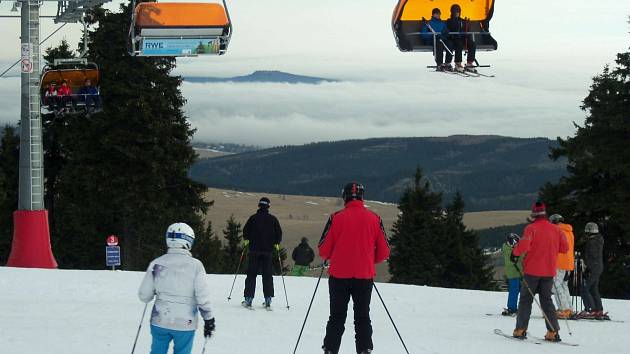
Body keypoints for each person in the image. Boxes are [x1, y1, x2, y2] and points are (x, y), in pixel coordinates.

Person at [319, 182, 390, 354]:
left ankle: (330, 350)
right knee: (362, 318)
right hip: (364, 276)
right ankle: (365, 350)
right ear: (362, 197)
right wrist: (367, 260)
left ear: (344, 197)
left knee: (336, 318)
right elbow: (385, 251)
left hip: (338, 277)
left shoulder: (335, 217)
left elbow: (323, 250)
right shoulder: (375, 218)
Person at [138, 223, 216, 354]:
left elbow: (144, 295)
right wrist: (208, 318)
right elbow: (202, 296)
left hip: (160, 319)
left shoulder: (157, 263)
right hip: (185, 322)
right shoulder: (196, 266)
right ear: (189, 240)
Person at [511, 202, 568, 342]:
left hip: (532, 270)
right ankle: (553, 331)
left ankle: (520, 329)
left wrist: (515, 253)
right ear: (545, 213)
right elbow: (564, 248)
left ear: (534, 214)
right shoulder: (556, 229)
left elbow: (523, 246)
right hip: (549, 271)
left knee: (525, 300)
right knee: (547, 301)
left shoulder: (531, 228)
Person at [242, 197, 283, 309]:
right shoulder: (273, 219)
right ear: (268, 206)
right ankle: (268, 300)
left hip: (254, 251)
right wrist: (276, 243)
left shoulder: (253, 218)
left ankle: (248, 299)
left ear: (259, 205)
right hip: (267, 252)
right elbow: (278, 233)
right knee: (267, 276)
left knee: (251, 275)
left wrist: (247, 239)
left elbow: (246, 230)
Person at [578, 222, 606, 319]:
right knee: (593, 289)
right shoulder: (598, 239)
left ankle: (591, 309)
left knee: (584, 288)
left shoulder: (592, 242)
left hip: (593, 267)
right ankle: (598, 309)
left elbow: (592, 256)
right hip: (598, 267)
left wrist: (588, 268)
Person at [549, 214, 575, 319]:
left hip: (559, 262)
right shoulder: (569, 231)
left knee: (555, 286)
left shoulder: (556, 231)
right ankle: (568, 308)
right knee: (563, 285)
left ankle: (564, 309)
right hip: (568, 262)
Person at [446, 4, 477, 72]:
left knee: (472, 43)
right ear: (452, 12)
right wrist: (455, 20)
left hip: (463, 38)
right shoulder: (449, 21)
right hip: (454, 38)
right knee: (459, 44)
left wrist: (467, 24)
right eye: (456, 12)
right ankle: (458, 63)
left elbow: (466, 29)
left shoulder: (462, 21)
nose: (457, 13)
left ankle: (469, 63)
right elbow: (451, 29)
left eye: (458, 12)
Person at [502, 233, 523, 316]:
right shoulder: (508, 249)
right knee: (514, 290)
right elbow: (513, 260)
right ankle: (512, 308)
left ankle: (513, 307)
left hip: (517, 272)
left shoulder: (510, 248)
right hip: (513, 273)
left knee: (517, 290)